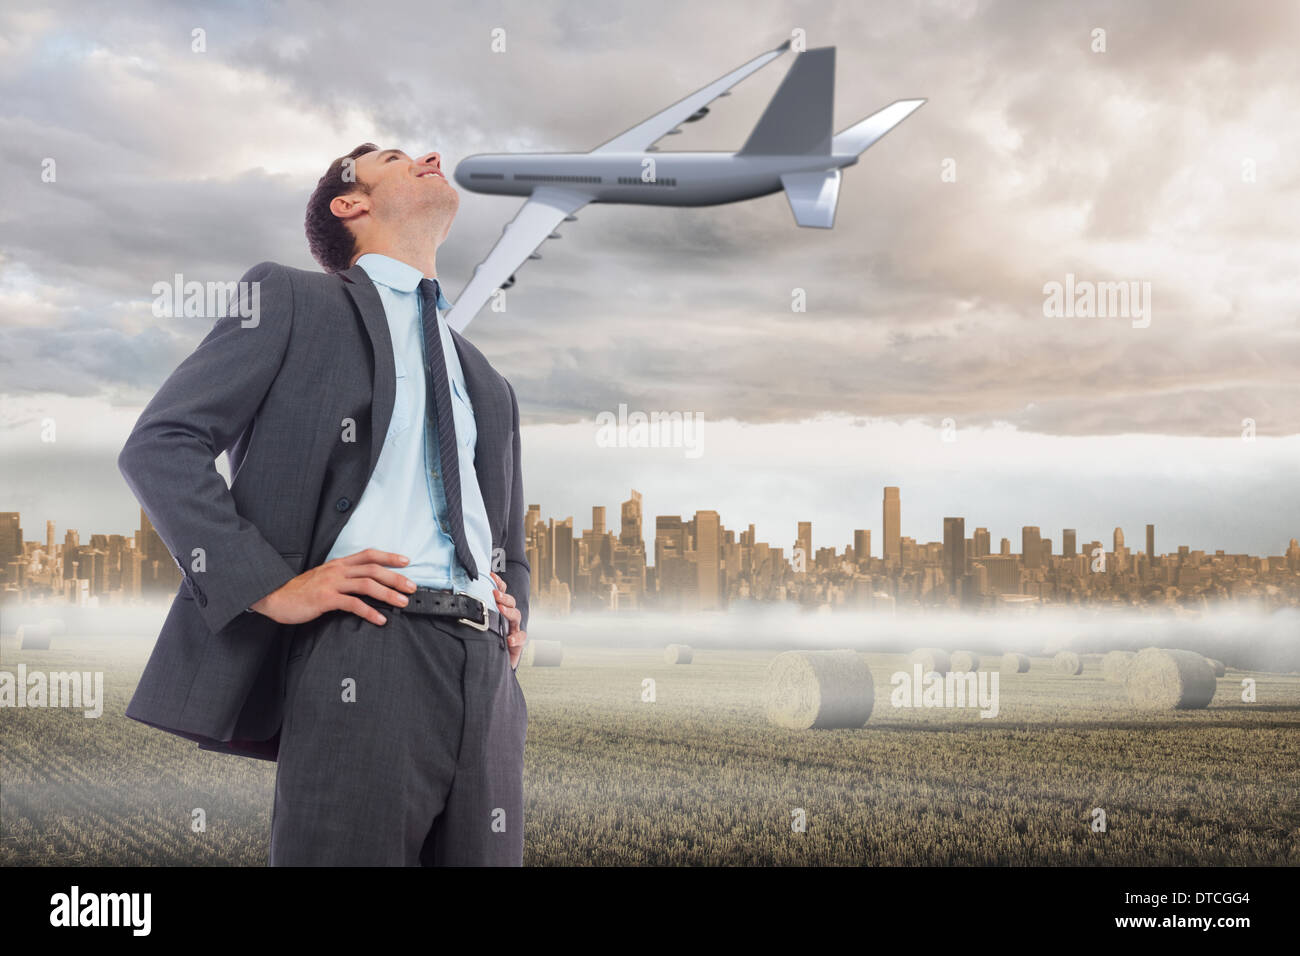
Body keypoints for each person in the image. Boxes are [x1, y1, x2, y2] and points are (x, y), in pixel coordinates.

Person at [118, 142, 530, 866]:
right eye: (398, 156)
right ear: (351, 203)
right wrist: (269, 587)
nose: (431, 155)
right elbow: (162, 443)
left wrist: (513, 603)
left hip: (489, 680)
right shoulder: (292, 299)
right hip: (366, 650)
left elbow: (508, 539)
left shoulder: (486, 379)